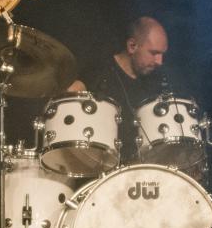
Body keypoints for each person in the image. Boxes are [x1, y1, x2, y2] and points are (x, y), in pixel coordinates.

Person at [69, 15, 170, 161]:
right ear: (132, 46)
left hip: (143, 168)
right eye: (154, 53)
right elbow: (70, 96)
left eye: (162, 54)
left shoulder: (157, 83)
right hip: (97, 164)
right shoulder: (99, 71)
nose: (159, 61)